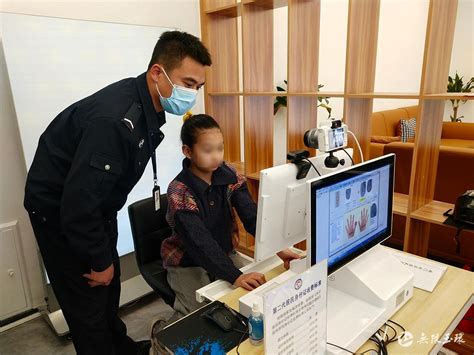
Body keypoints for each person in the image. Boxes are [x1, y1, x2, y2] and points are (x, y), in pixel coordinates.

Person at [23, 31, 211, 355]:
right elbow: (79, 205)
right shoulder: (115, 121)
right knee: (88, 303)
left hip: (94, 206)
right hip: (60, 212)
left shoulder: (146, 105)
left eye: (198, 87)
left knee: (108, 287)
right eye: (188, 83)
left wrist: (104, 258)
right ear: (157, 73)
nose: (191, 94)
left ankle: (120, 348)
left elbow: (97, 195)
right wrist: (98, 259)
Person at [161, 114, 300, 317]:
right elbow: (198, 241)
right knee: (201, 316)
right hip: (187, 261)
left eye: (220, 148)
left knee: (249, 300)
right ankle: (162, 337)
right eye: (208, 150)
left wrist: (279, 248)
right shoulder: (179, 190)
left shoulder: (230, 175)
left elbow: (251, 216)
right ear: (188, 151)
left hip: (225, 251)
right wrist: (235, 276)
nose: (216, 156)